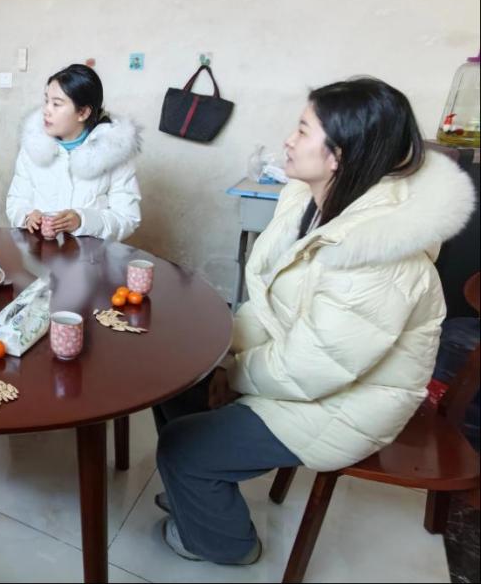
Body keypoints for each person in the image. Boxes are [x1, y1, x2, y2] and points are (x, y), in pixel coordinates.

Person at [153, 77, 476, 565]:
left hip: (345, 404)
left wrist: (232, 373)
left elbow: (316, 367)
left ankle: (226, 543)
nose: (288, 140)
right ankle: (198, 486)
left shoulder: (377, 256)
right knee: (177, 376)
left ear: (339, 155)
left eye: (303, 131)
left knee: (183, 446)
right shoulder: (309, 201)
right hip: (305, 370)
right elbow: (269, 301)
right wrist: (218, 357)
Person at [5, 64, 141, 242]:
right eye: (47, 101)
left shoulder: (115, 152)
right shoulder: (32, 147)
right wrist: (27, 216)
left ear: (83, 112)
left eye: (56, 104)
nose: (46, 110)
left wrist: (83, 220)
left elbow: (127, 218)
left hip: (92, 257)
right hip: (40, 254)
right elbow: (16, 201)